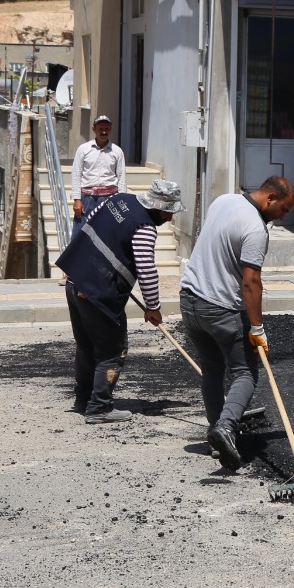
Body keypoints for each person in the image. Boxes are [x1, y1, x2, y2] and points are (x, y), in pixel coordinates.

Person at [180, 176, 294, 469]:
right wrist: (257, 328)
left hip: (189, 301)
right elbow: (251, 282)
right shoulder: (256, 229)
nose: (282, 217)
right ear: (270, 198)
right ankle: (226, 427)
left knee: (211, 368)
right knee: (246, 372)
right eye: (283, 210)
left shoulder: (223, 201)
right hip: (220, 309)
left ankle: (218, 435)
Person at [54, 178, 182, 424]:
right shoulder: (144, 227)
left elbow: (90, 223)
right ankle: (99, 408)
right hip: (98, 292)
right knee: (113, 350)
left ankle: (84, 399)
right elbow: (146, 270)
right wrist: (153, 307)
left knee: (87, 346)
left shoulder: (118, 199)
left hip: (74, 279)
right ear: (158, 207)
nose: (170, 218)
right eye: (168, 212)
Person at [70, 115, 128, 240]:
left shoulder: (117, 151)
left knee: (107, 235)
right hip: (87, 199)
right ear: (94, 129)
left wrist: (121, 200)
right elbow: (76, 173)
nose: (103, 132)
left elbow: (121, 177)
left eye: (106, 129)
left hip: (109, 199)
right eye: (100, 128)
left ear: (110, 129)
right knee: (80, 235)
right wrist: (76, 199)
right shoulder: (83, 149)